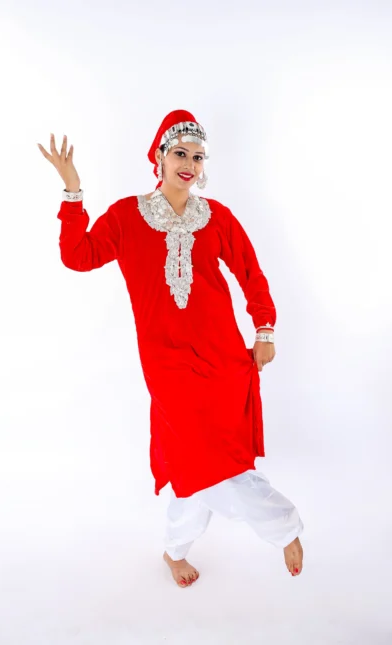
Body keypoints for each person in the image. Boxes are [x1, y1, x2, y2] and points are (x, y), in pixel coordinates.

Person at [38, 109, 304, 588]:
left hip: (224, 359)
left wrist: (264, 330)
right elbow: (78, 256)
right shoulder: (126, 216)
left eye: (198, 157)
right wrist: (73, 189)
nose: (190, 165)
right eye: (181, 153)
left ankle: (175, 549)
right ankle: (284, 527)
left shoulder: (216, 217)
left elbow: (250, 272)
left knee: (200, 462)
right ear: (159, 157)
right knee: (207, 459)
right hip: (168, 366)